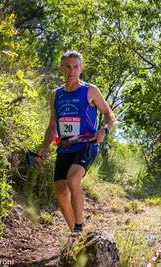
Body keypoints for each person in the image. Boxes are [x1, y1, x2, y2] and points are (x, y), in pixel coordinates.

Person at [38, 51, 115, 233]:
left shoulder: (90, 90)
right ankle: (75, 235)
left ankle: (80, 226)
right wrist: (44, 146)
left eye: (76, 67)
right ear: (61, 68)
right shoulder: (55, 95)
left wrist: (104, 129)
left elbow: (109, 114)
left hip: (87, 145)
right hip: (65, 148)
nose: (72, 70)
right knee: (61, 193)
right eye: (68, 66)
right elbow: (52, 125)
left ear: (81, 69)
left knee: (73, 179)